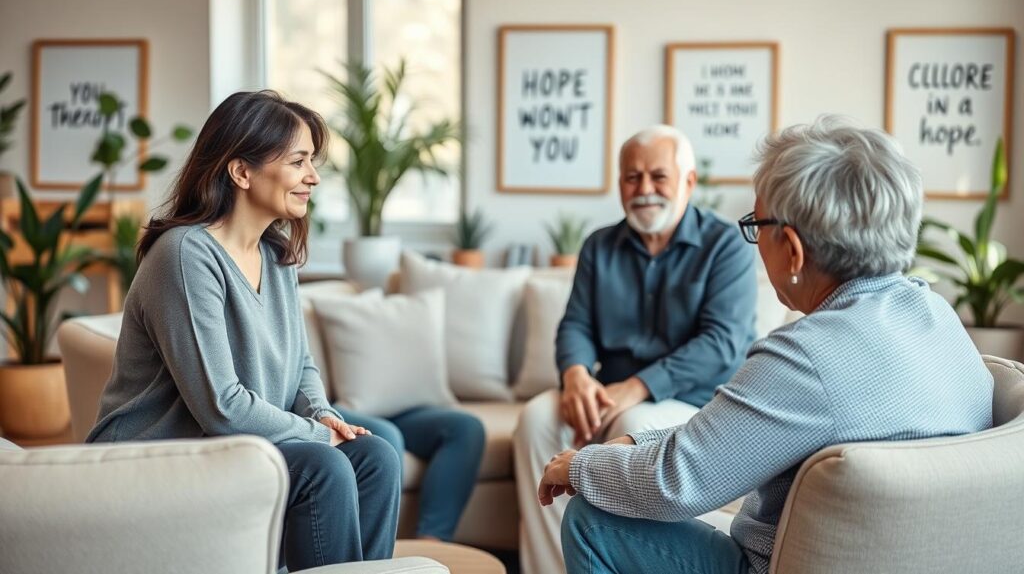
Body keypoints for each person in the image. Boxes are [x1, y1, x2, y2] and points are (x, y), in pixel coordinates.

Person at [538, 116, 995, 574]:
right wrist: (636, 440)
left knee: (592, 519)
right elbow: (728, 436)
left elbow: (676, 481)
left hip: (783, 564)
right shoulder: (939, 318)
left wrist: (579, 466)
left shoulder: (804, 356)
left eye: (757, 226)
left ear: (792, 250)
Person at [87, 90, 401, 571]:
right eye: (299, 162)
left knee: (376, 457)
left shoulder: (276, 257)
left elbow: (300, 363)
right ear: (241, 172)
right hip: (154, 461)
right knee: (323, 465)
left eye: (311, 163)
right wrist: (316, 436)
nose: (313, 177)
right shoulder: (185, 255)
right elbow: (221, 407)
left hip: (234, 451)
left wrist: (321, 415)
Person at [514, 124, 758, 574]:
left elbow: (722, 342)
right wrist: (576, 376)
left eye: (658, 176)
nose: (644, 189)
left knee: (632, 421)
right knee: (535, 418)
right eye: (632, 177)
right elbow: (576, 325)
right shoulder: (599, 245)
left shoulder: (726, 245)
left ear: (688, 182)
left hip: (694, 400)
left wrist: (636, 387)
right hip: (607, 389)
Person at [332, 405, 484, 541]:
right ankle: (380, 550)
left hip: (406, 410)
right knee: (387, 437)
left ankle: (430, 544)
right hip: (350, 409)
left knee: (466, 427)